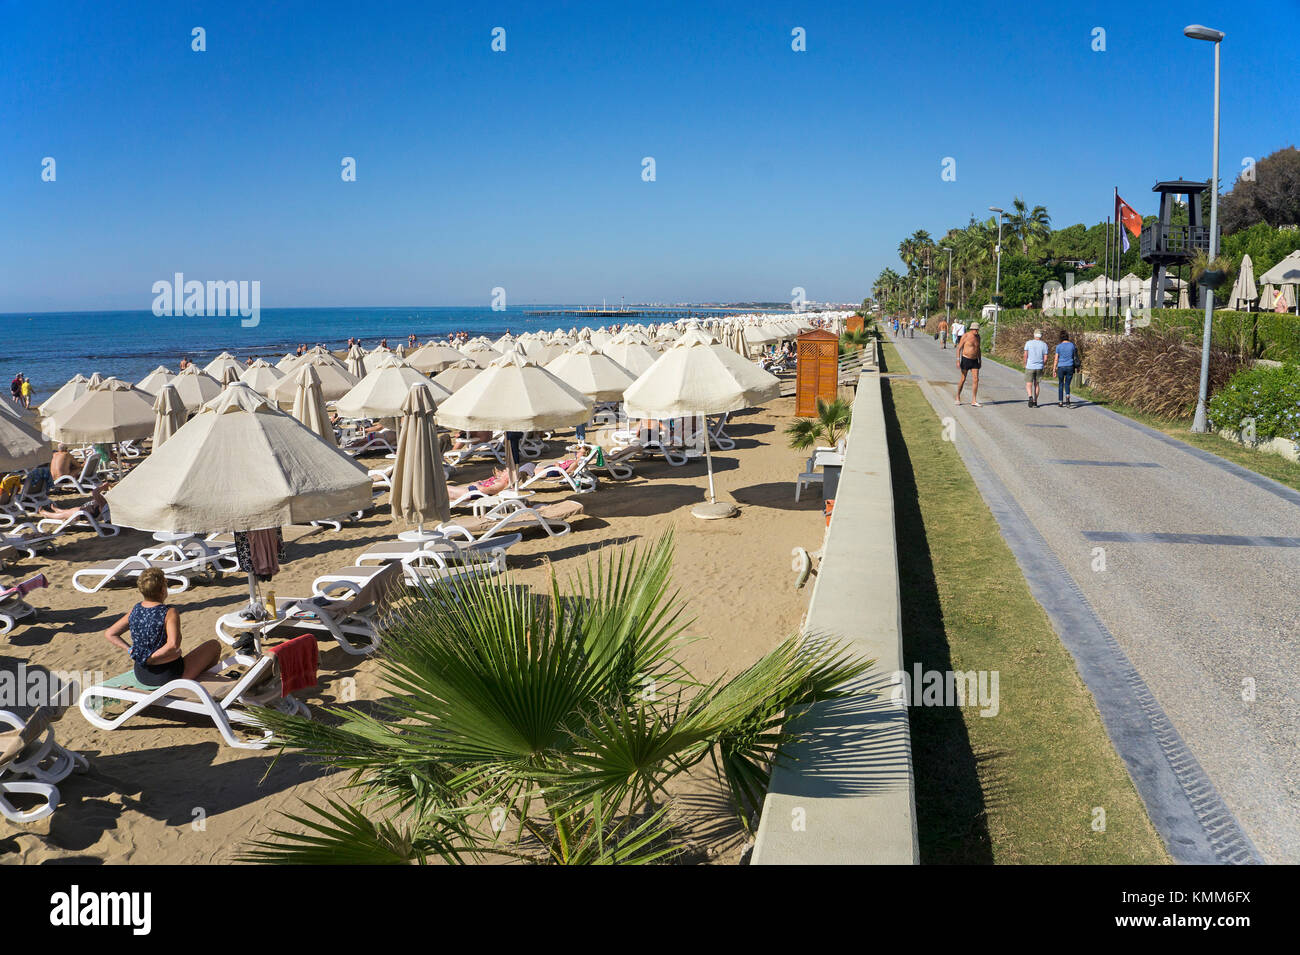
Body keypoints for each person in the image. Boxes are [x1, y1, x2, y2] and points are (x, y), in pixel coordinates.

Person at [101, 569, 222, 687]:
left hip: (142, 673)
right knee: (213, 645)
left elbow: (110, 633)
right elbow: (173, 645)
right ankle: (202, 685)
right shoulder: (169, 612)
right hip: (168, 674)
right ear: (163, 590)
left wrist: (130, 650)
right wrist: (152, 658)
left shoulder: (136, 610)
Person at [955, 322, 982, 407]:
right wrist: (958, 360)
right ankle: (957, 397)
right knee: (963, 379)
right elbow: (959, 348)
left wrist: (980, 360)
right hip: (966, 359)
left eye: (978, 330)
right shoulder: (965, 336)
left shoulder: (978, 337)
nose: (977, 332)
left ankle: (974, 400)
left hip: (974, 360)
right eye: (976, 330)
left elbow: (978, 349)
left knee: (976, 379)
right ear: (972, 329)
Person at [1023, 329, 1049, 408]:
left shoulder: (1028, 343)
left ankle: (1030, 396)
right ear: (1041, 336)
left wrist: (1025, 363)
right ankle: (1035, 401)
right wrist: (1042, 364)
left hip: (1030, 366)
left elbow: (1025, 355)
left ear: (1034, 335)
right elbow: (1045, 358)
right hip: (1039, 367)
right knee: (1036, 384)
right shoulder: (1044, 345)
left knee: (1029, 383)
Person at [1053, 331, 1079, 407]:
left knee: (1061, 384)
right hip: (1070, 366)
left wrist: (1054, 369)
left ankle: (1060, 402)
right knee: (1067, 384)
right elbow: (1075, 356)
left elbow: (1056, 359)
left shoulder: (1058, 346)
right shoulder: (1072, 345)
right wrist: (1078, 367)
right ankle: (1067, 397)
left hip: (1061, 366)